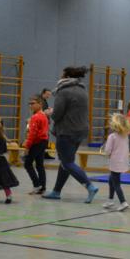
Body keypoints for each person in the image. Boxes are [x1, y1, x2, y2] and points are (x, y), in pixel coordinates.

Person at [43, 67, 97, 202]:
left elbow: (57, 114)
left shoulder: (63, 91)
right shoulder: (82, 90)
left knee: (67, 162)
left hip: (67, 131)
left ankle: (89, 186)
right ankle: (56, 191)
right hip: (80, 131)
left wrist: (50, 112)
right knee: (66, 162)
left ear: (66, 76)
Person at [102, 113, 130, 211]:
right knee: (111, 180)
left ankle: (123, 202)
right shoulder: (125, 136)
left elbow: (108, 151)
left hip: (115, 162)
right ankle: (110, 200)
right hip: (123, 161)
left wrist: (106, 153)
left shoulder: (112, 136)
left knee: (116, 183)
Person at [23, 95, 49, 194]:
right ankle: (42, 187)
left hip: (37, 142)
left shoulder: (36, 117)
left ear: (40, 104)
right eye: (29, 104)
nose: (31, 105)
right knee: (39, 165)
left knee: (27, 164)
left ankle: (37, 185)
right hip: (43, 141)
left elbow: (32, 134)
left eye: (33, 103)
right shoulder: (43, 115)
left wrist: (27, 147)